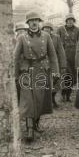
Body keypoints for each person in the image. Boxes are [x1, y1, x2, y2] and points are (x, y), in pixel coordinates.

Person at [14, 11, 59, 143]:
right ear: (27, 23)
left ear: (39, 22)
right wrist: (16, 75)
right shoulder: (22, 37)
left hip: (42, 71)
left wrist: (56, 71)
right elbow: (16, 57)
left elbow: (53, 55)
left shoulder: (46, 36)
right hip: (26, 71)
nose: (34, 22)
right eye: (31, 21)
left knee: (40, 100)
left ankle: (36, 123)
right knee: (28, 100)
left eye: (36, 20)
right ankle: (29, 129)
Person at [57, 13, 79, 102]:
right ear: (66, 21)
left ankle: (68, 94)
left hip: (74, 56)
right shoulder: (60, 30)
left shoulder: (78, 30)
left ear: (74, 21)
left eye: (72, 20)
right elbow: (57, 42)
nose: (70, 22)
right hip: (64, 55)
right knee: (66, 75)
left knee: (73, 76)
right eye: (68, 20)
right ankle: (63, 93)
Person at [42, 22, 67, 108]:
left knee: (56, 83)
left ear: (51, 29)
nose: (47, 29)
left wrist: (63, 65)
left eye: (48, 28)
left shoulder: (56, 38)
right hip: (44, 64)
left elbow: (61, 52)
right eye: (45, 28)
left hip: (54, 63)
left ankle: (53, 99)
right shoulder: (40, 37)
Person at [14, 22, 29, 102]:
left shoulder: (27, 40)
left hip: (24, 66)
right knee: (16, 84)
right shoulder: (13, 40)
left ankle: (24, 100)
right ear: (16, 31)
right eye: (19, 30)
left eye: (23, 30)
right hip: (15, 65)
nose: (21, 32)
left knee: (24, 84)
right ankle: (18, 100)